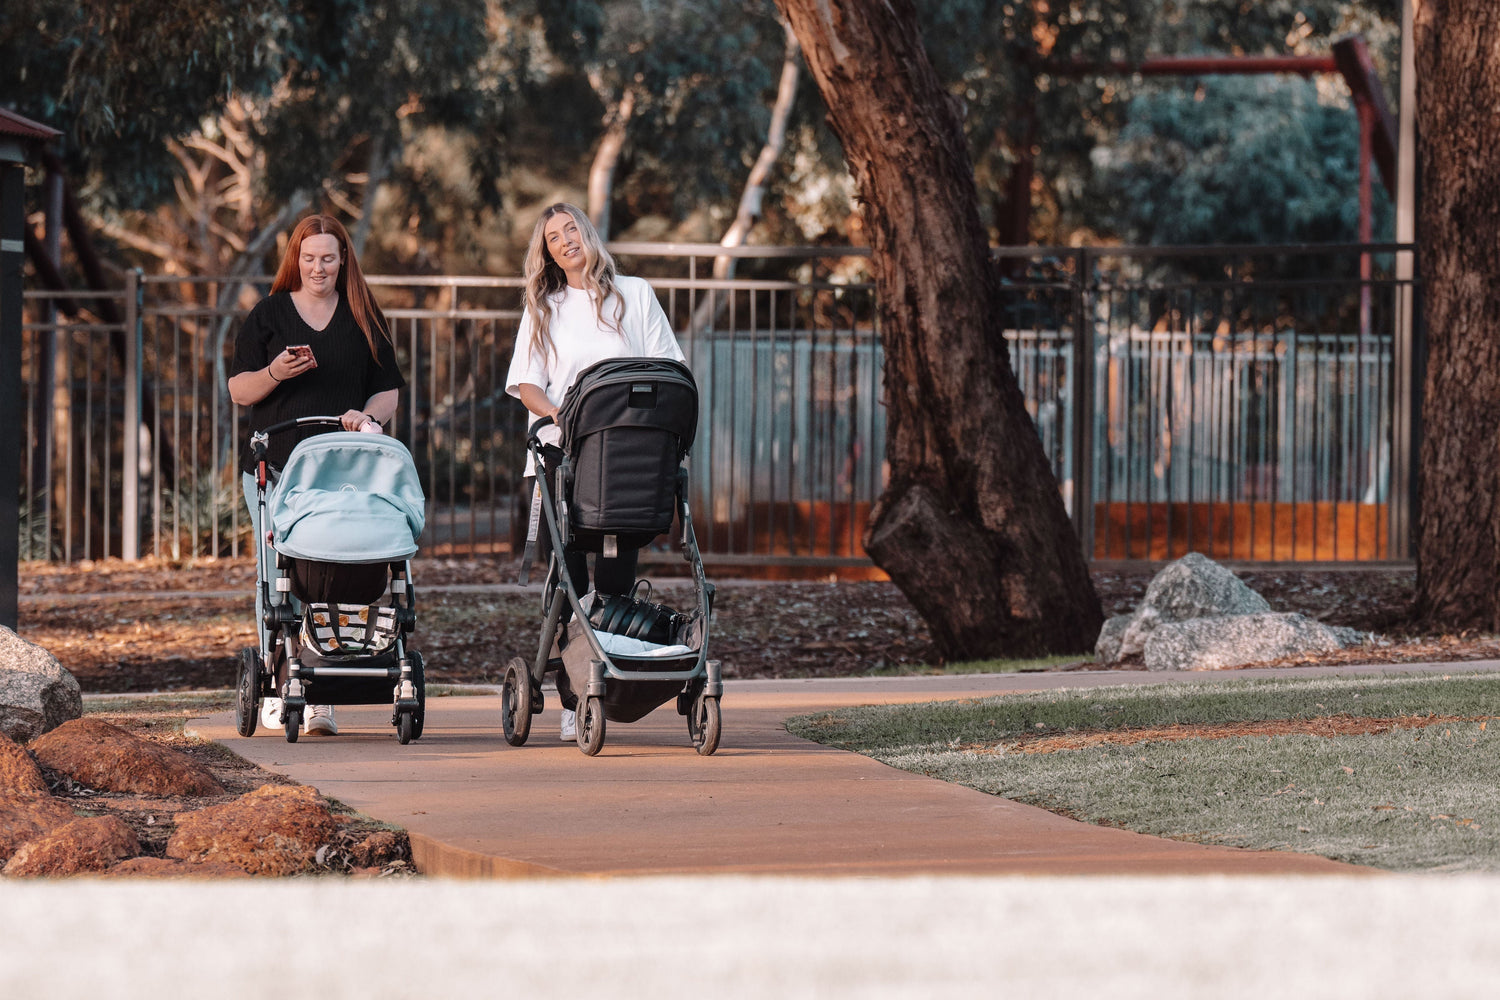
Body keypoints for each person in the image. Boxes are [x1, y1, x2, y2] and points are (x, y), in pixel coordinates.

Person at [505, 203, 686, 739]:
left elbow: (668, 367)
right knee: (569, 578)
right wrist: (557, 414)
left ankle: (606, 682)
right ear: (546, 253)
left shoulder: (636, 294)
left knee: (613, 581)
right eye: (552, 237)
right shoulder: (546, 306)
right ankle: (571, 695)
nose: (564, 241)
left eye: (571, 230)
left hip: (624, 460)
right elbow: (528, 383)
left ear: (588, 233)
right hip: (564, 455)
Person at [228, 214, 406, 736]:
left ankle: (321, 690)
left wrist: (369, 418)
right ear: (295, 261)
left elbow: (388, 388)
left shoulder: (363, 316)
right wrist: (275, 373)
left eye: (328, 257)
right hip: (276, 470)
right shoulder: (268, 315)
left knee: (336, 574)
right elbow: (239, 390)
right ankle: (277, 678)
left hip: (344, 472)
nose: (318, 267)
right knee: (278, 580)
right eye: (308, 258)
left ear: (343, 258)